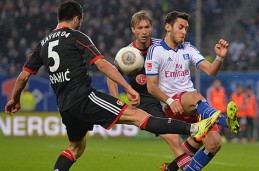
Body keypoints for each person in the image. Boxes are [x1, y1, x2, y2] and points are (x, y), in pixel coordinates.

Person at [4, 2, 220, 171]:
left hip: (65, 106)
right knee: (138, 117)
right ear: (77, 18)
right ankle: (193, 129)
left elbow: (23, 76)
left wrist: (15, 99)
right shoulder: (78, 36)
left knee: (76, 149)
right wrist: (128, 88)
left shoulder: (43, 43)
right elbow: (103, 65)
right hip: (85, 98)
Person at [145, 11, 240, 171]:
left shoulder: (188, 48)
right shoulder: (156, 51)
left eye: (186, 28)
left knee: (214, 144)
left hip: (196, 107)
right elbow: (151, 86)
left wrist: (219, 58)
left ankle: (175, 168)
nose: (184, 31)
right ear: (168, 27)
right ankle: (226, 122)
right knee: (196, 96)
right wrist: (170, 101)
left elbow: (210, 71)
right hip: (174, 105)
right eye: (180, 27)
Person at [107, 10, 193, 171]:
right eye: (139, 28)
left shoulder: (161, 46)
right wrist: (116, 100)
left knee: (195, 134)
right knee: (173, 136)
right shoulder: (127, 54)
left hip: (167, 95)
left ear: (152, 28)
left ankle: (172, 168)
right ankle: (189, 168)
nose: (144, 31)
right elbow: (111, 75)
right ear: (133, 29)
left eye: (147, 27)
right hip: (147, 102)